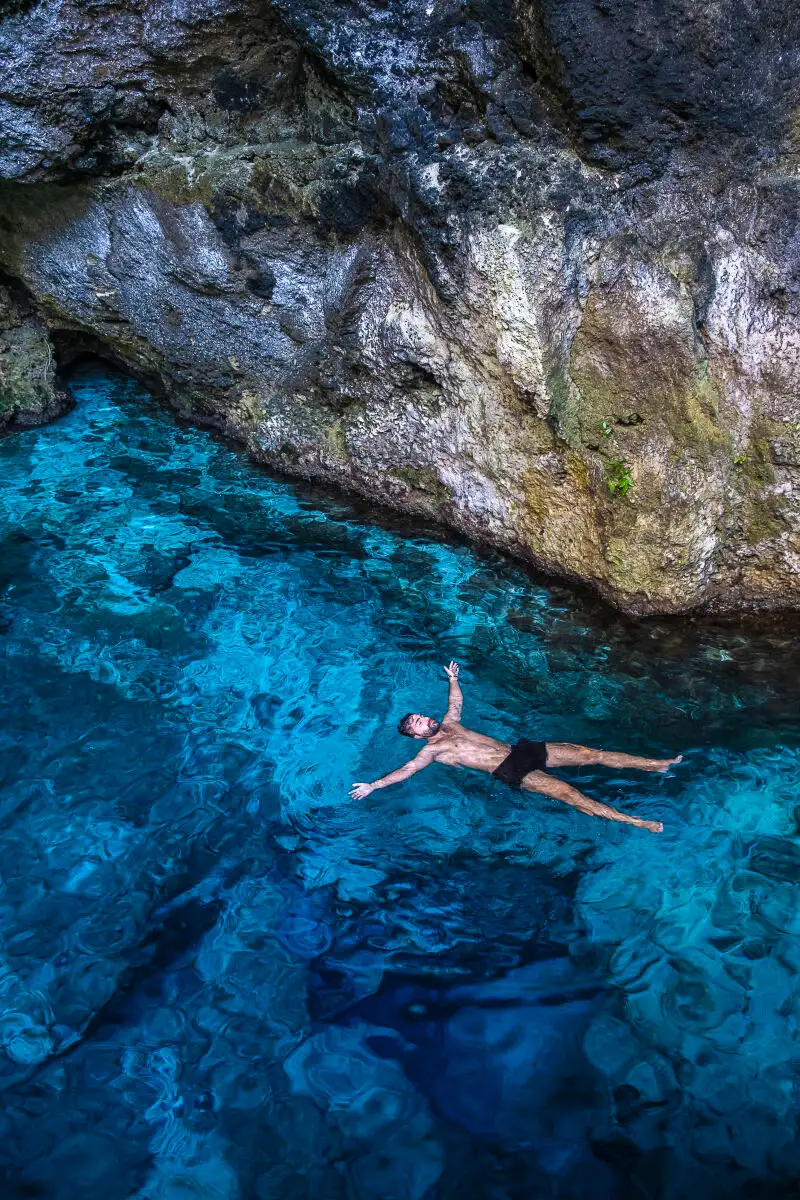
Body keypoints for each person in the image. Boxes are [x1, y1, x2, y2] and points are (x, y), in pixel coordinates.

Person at [350, 661, 681, 833]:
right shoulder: (430, 753)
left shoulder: (448, 723)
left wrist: (453, 680)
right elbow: (406, 771)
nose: (426, 720)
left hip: (520, 750)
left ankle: (656, 764)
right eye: (420, 723)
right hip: (511, 771)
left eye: (422, 716)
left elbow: (455, 705)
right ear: (417, 736)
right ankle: (637, 822)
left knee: (590, 754)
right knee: (572, 795)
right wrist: (373, 786)